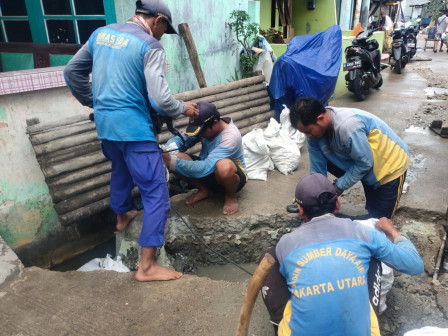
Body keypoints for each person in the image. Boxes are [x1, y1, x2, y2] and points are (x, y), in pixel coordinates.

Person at [63, 0, 199, 282]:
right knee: (156, 195)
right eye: (164, 29)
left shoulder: (100, 34)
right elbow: (161, 100)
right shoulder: (150, 46)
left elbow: (71, 72)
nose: (162, 35)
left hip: (106, 126)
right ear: (158, 20)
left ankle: (122, 215)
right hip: (134, 129)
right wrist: (183, 108)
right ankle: (147, 266)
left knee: (121, 170)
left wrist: (97, 102)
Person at [263, 173, 424, 336]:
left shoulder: (286, 243)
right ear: (338, 203)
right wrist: (392, 231)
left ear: (300, 210)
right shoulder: (362, 232)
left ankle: (280, 326)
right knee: (372, 257)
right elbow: (415, 265)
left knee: (270, 257)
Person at [286, 97, 410, 220]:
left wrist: (339, 186)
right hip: (365, 161)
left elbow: (365, 164)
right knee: (372, 205)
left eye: (308, 131)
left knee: (379, 222)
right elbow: (317, 169)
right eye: (304, 133)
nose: (308, 136)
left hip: (389, 167)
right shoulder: (313, 135)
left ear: (320, 119)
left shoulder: (348, 127)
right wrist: (309, 200)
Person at [162, 101, 247, 215]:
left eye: (202, 131)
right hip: (207, 171)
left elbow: (206, 167)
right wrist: (167, 149)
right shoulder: (205, 125)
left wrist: (171, 161)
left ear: (215, 123)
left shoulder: (231, 137)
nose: (200, 134)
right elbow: (183, 139)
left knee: (223, 166)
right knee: (173, 157)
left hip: (228, 177)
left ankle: (230, 196)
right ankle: (205, 190)